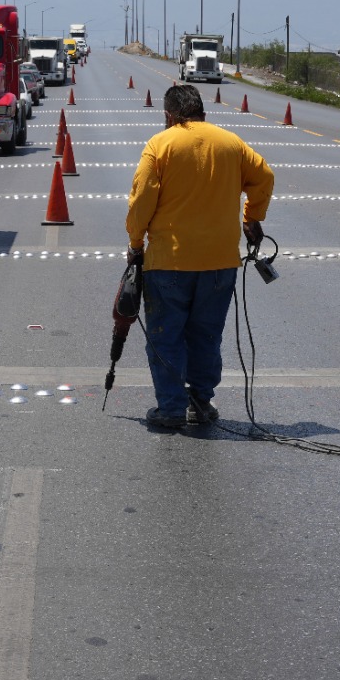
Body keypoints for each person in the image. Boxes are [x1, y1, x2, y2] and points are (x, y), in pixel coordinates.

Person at [126, 83, 275, 430]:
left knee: (166, 335)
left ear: (169, 115)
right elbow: (264, 176)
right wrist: (252, 217)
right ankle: (200, 402)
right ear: (201, 111)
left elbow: (142, 200)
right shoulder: (231, 143)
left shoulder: (160, 145)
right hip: (220, 263)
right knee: (206, 335)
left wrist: (136, 243)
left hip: (169, 262)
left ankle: (171, 407)